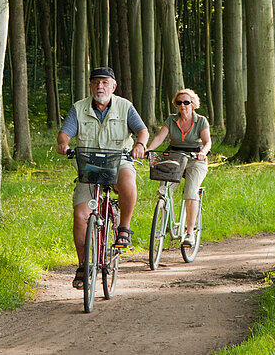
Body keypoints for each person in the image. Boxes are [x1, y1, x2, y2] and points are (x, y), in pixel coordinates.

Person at [57, 67, 149, 289]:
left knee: (127, 181)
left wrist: (140, 145)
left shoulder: (125, 106)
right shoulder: (79, 108)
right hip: (89, 164)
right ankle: (82, 265)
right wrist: (64, 144)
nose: (100, 87)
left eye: (105, 83)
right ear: (90, 86)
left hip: (120, 160)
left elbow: (142, 131)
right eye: (96, 82)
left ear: (113, 86)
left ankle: (123, 229)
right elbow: (65, 132)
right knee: (80, 216)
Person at [145, 88, 211, 251]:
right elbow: (160, 137)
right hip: (175, 157)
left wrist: (203, 152)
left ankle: (189, 233)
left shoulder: (201, 121)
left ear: (193, 104)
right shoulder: (171, 120)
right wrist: (149, 149)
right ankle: (167, 221)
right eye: (179, 103)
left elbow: (207, 141)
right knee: (165, 189)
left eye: (186, 102)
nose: (183, 106)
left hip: (195, 159)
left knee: (190, 192)